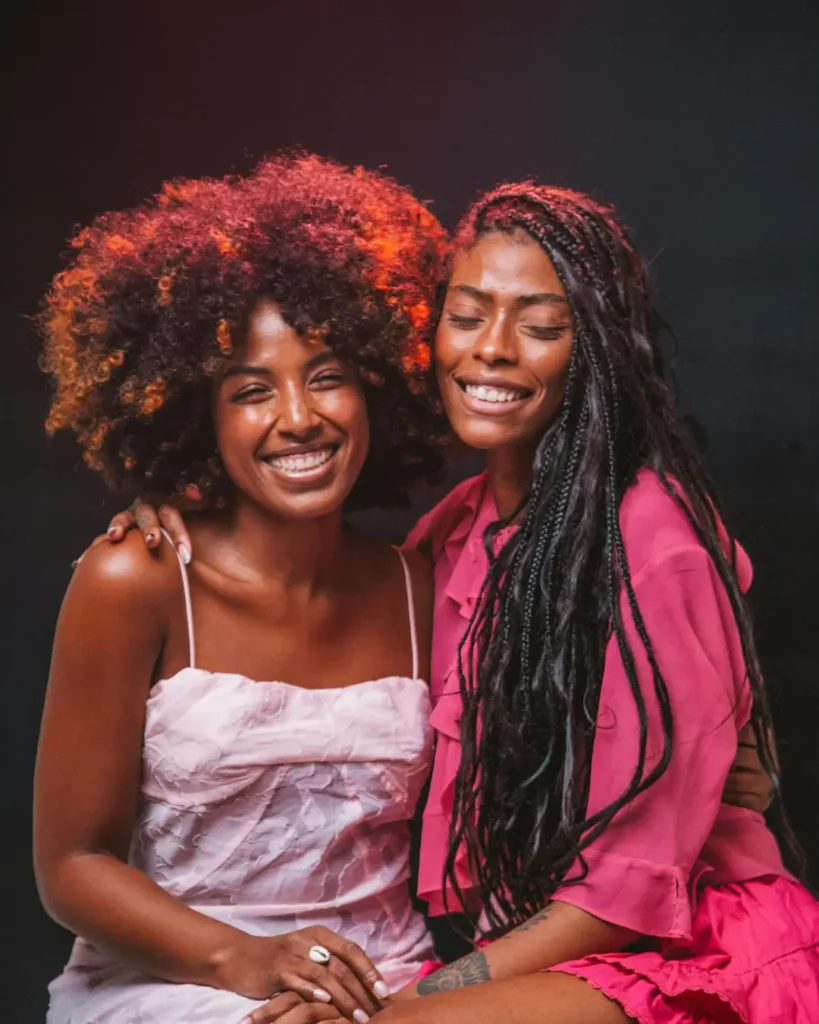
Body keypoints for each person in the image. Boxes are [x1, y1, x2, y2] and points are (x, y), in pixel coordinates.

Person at [112, 182, 796, 1024]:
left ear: (596, 352)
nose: (493, 350)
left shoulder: (656, 543)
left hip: (683, 950)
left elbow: (625, 893)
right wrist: (192, 501)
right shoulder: (453, 535)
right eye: (467, 315)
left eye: (540, 326)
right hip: (536, 952)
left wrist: (407, 997)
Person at [34, 152, 450, 1024]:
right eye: (250, 391)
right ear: (198, 418)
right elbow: (71, 866)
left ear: (377, 386)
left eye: (328, 375)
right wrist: (249, 962)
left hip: (388, 987)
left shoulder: (422, 587)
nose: (299, 416)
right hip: (176, 981)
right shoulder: (137, 579)